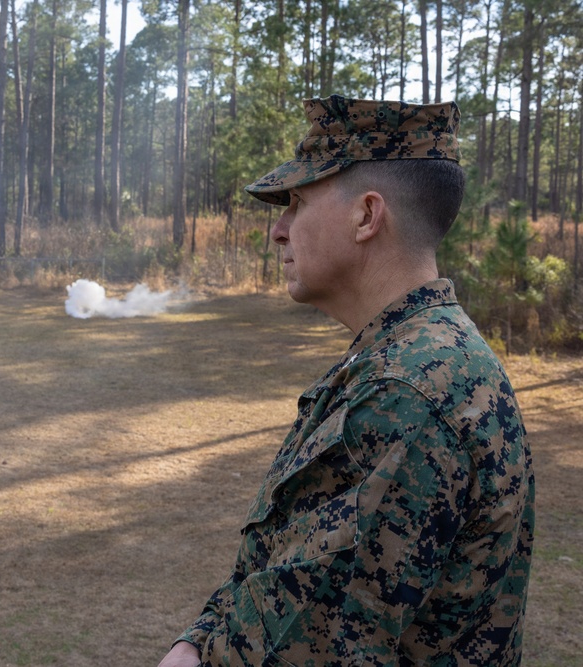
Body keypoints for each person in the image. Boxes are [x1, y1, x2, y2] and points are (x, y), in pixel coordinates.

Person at [158, 95, 534, 667]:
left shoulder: (403, 396)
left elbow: (303, 643)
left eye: (298, 203)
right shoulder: (424, 355)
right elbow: (283, 574)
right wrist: (197, 640)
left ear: (366, 216)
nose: (278, 231)